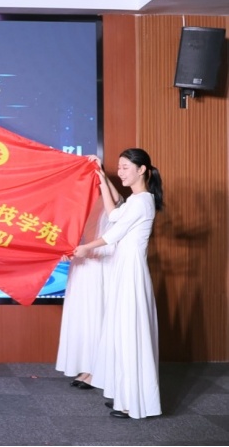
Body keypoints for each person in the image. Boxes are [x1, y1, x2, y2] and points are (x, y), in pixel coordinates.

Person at [74, 148, 163, 420]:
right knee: (121, 333)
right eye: (119, 167)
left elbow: (113, 234)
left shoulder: (142, 201)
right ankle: (125, 395)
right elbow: (113, 215)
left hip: (131, 272)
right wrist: (101, 175)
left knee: (129, 334)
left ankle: (133, 403)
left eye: (125, 167)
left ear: (141, 170)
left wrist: (86, 248)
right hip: (123, 269)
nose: (121, 172)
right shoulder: (136, 200)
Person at [56, 155, 123, 390]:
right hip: (81, 263)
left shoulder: (109, 197)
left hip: (102, 262)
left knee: (97, 315)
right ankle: (86, 367)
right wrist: (65, 251)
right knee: (82, 317)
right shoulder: (75, 202)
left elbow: (117, 202)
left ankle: (97, 370)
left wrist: (100, 172)